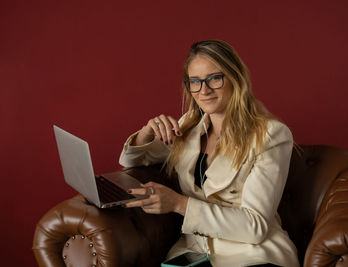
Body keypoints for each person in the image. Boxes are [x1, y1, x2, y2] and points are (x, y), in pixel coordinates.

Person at [119, 40, 299, 267]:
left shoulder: (271, 135)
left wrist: (178, 204)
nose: (204, 90)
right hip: (195, 253)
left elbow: (255, 227)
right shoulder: (187, 127)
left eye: (214, 78)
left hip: (252, 255)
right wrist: (146, 132)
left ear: (235, 78)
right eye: (195, 81)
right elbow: (130, 160)